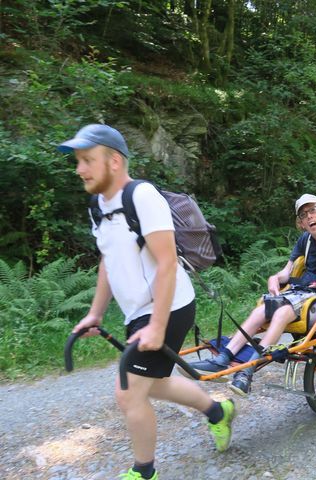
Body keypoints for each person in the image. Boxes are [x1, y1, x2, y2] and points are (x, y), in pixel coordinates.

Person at [58, 124, 235, 480]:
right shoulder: (99, 205)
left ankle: (144, 472)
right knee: (152, 382)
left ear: (114, 161)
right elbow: (108, 260)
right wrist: (95, 312)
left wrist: (156, 325)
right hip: (141, 312)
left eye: (87, 160)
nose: (80, 169)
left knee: (129, 392)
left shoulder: (142, 197)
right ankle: (218, 411)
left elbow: (167, 261)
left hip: (169, 306)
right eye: (78, 161)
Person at [187, 194, 316, 395]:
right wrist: (275, 278)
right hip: (300, 292)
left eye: (313, 210)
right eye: (303, 215)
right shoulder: (305, 240)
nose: (309, 216)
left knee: (282, 312)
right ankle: (223, 358)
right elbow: (287, 271)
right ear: (301, 223)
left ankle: (247, 371)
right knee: (261, 311)